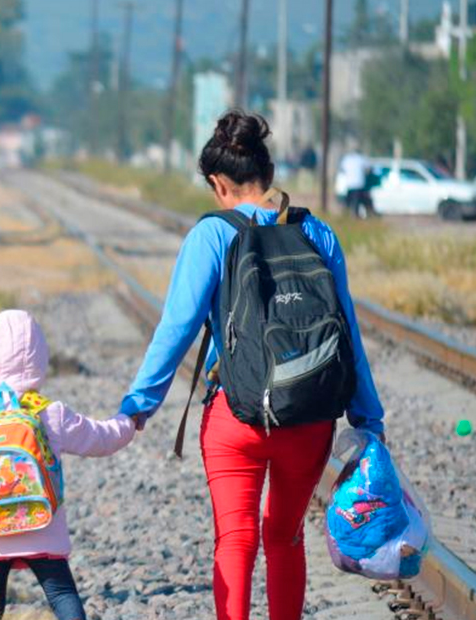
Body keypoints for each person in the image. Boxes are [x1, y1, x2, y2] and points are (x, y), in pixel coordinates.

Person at [118, 111, 386, 620]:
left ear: (218, 183)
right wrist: (367, 418)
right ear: (267, 172)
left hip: (236, 418)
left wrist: (139, 404)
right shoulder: (317, 233)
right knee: (284, 537)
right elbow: (347, 332)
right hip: (309, 418)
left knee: (236, 540)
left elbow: (176, 329)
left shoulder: (212, 236)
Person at [0, 310, 137, 620]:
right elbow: (100, 439)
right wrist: (129, 421)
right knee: (61, 593)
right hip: (42, 525)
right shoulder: (50, 412)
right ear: (40, 360)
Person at [338, 146, 374, 218]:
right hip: (359, 185)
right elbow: (369, 169)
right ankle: (357, 215)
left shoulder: (346, 159)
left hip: (349, 185)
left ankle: (349, 215)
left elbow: (342, 169)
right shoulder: (361, 159)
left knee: (349, 203)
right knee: (360, 202)